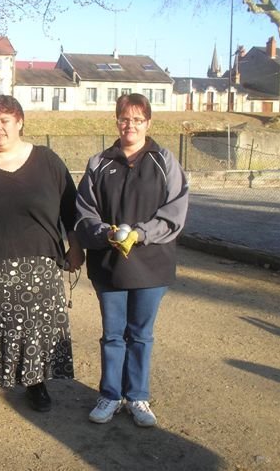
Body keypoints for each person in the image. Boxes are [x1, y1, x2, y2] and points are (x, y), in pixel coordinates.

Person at [0, 95, 84, 412]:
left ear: (20, 122)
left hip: (41, 262)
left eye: (4, 121)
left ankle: (36, 383)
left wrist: (75, 246)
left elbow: (70, 207)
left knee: (35, 327)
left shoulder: (48, 161)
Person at [75, 93, 189, 427]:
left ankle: (137, 396)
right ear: (117, 121)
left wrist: (140, 233)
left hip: (152, 264)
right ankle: (110, 395)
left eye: (138, 119)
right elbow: (84, 211)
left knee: (140, 334)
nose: (131, 125)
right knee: (113, 335)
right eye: (125, 118)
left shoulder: (165, 161)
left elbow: (175, 212)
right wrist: (103, 234)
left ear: (148, 123)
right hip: (109, 266)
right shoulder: (99, 163)